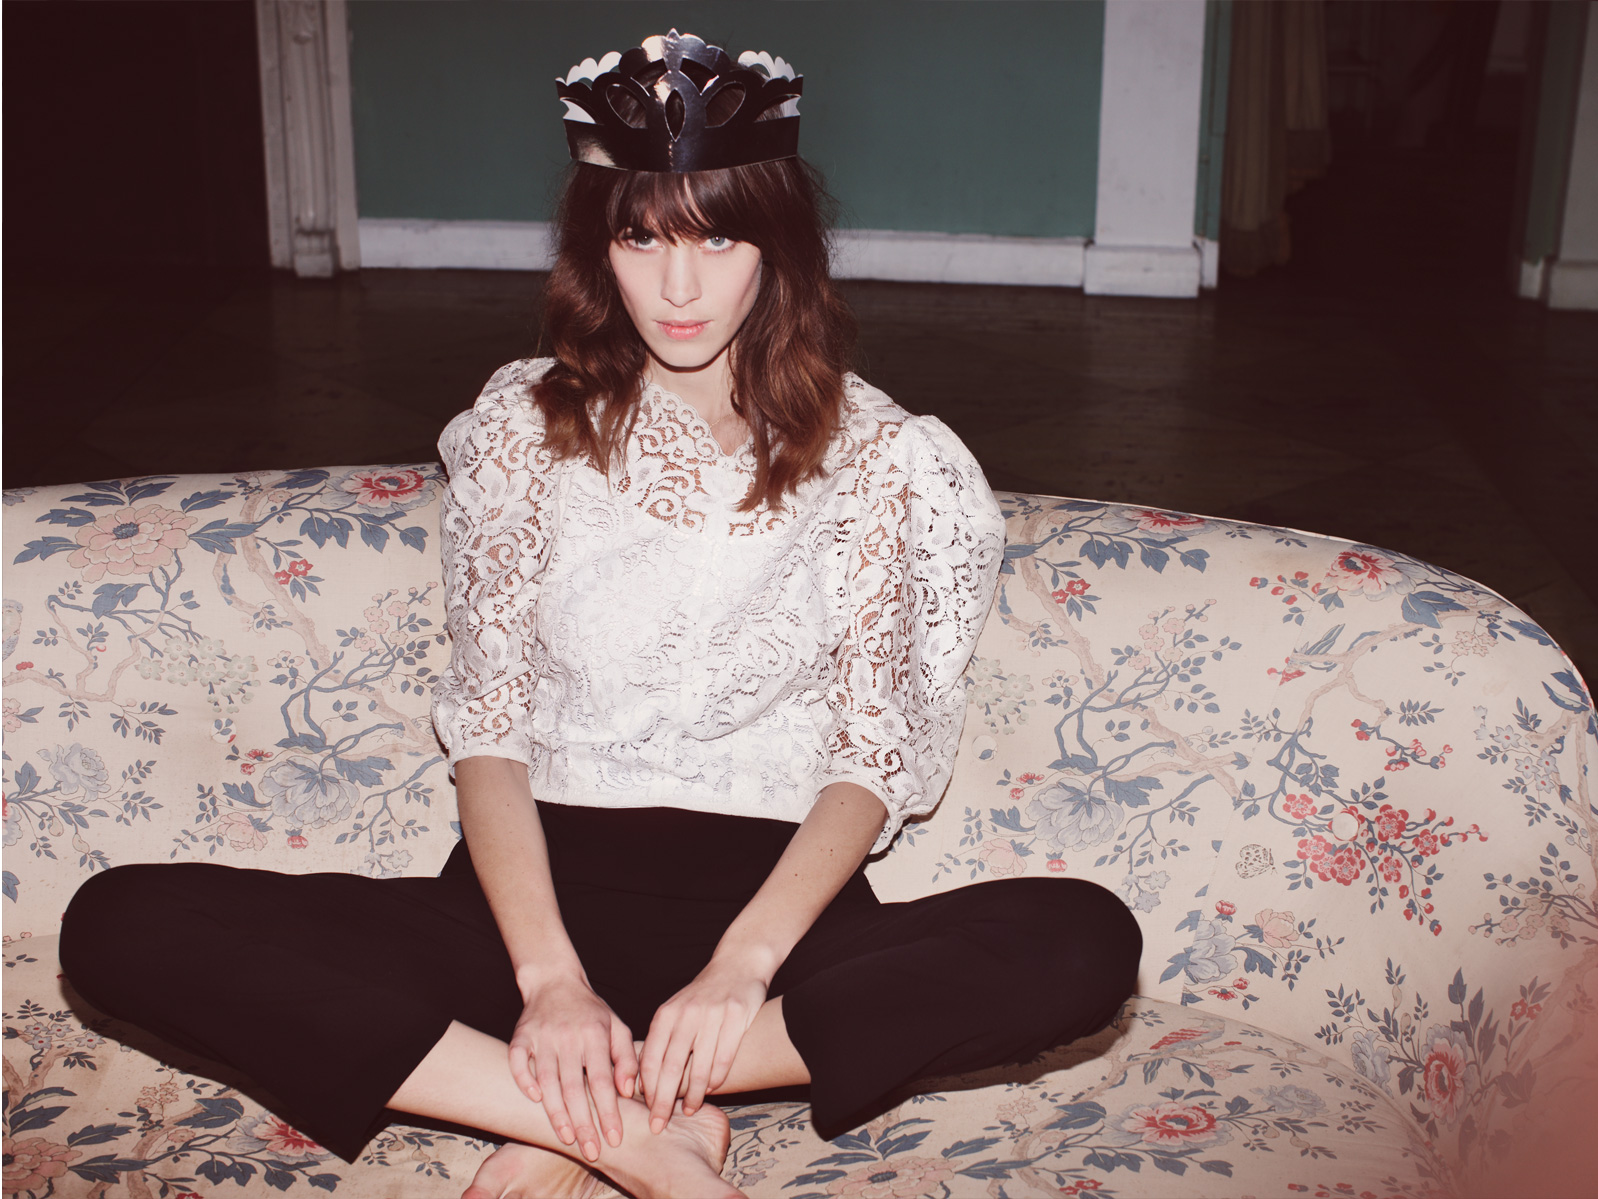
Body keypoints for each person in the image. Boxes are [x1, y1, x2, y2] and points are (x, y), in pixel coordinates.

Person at [59, 31, 1141, 1199]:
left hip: (773, 935)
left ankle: (590, 1096)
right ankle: (628, 1131)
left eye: (718, 237)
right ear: (598, 247)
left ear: (778, 244)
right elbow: (490, 726)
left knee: (1083, 939)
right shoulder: (523, 427)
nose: (679, 287)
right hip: (526, 918)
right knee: (120, 923)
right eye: (642, 238)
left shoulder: (881, 454)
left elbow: (874, 754)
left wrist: (740, 968)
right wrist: (548, 985)